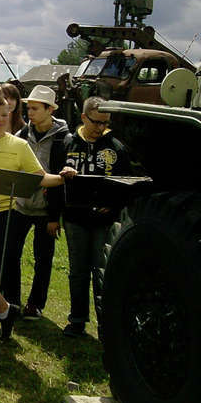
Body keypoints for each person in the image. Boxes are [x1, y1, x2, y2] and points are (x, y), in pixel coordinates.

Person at [0, 95, 75, 341]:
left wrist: (62, 177)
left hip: (1, 216)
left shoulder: (19, 145)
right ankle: (5, 308)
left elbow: (40, 177)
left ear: (9, 116)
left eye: (4, 115)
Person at [60, 96, 131, 338]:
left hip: (104, 222)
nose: (101, 128)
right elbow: (54, 178)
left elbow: (126, 184)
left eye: (105, 123)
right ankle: (77, 320)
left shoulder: (116, 147)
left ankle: (105, 326)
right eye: (96, 122)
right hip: (75, 218)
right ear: (83, 117)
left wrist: (112, 204)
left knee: (102, 273)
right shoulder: (68, 143)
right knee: (77, 271)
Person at [10, 85, 69, 319]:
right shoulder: (22, 135)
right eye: (29, 108)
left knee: (43, 259)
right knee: (11, 254)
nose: (30, 113)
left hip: (46, 210)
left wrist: (55, 216)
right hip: (20, 205)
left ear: (50, 109)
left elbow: (63, 180)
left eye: (35, 109)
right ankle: (12, 300)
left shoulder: (64, 139)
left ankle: (35, 304)